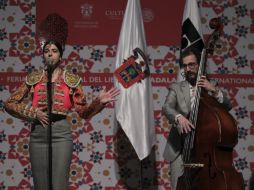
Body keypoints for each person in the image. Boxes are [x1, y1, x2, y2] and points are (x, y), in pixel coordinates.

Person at [4, 40, 120, 190]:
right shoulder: (34, 78)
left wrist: (99, 101)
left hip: (61, 134)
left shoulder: (71, 80)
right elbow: (9, 103)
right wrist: (33, 113)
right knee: (41, 185)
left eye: (54, 50)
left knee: (59, 185)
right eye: (46, 51)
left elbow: (83, 112)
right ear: (43, 56)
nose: (50, 53)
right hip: (38, 133)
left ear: (60, 57)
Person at [162, 48, 232, 190]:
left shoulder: (211, 85)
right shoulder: (176, 87)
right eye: (185, 65)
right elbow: (166, 107)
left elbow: (228, 105)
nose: (188, 69)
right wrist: (179, 117)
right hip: (180, 148)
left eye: (192, 65)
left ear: (200, 65)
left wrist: (213, 90)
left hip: (206, 150)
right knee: (179, 186)